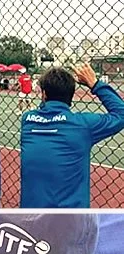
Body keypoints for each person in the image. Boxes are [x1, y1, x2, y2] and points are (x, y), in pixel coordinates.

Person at [20, 63, 124, 208]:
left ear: (44, 94)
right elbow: (121, 114)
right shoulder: (83, 124)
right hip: (72, 218)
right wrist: (95, 84)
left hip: (31, 216)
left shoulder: (28, 120)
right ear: (71, 94)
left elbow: (44, 111)